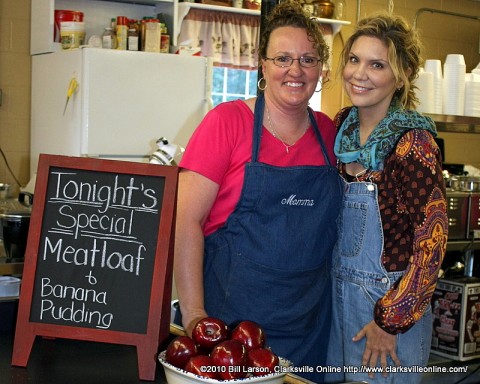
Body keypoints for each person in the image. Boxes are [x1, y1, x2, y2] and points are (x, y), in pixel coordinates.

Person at [173, 1, 343, 381]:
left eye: (308, 59)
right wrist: (194, 313)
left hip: (309, 330)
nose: (295, 70)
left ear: (320, 69)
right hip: (233, 334)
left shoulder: (330, 133)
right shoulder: (226, 124)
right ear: (262, 65)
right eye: (282, 58)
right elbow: (185, 220)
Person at [326, 12, 449, 384]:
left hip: (385, 310)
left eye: (376, 64)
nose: (359, 74)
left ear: (402, 75)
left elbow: (433, 240)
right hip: (336, 300)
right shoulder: (339, 127)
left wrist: (391, 321)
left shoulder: (412, 144)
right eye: (354, 59)